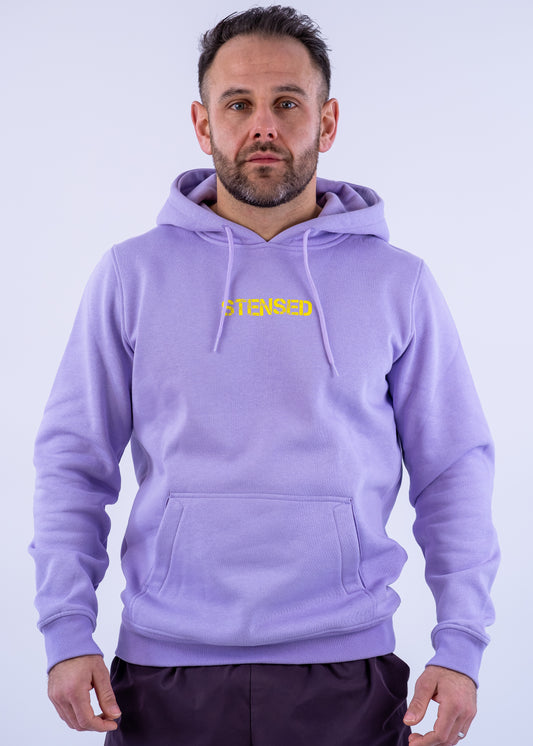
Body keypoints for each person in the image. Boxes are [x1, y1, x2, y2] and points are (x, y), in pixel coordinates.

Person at [29, 6, 499, 745]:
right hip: (162, 672)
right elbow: (73, 462)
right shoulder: (132, 275)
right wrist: (65, 629)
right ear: (202, 123)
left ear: (326, 121)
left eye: (287, 103)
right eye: (238, 104)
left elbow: (453, 469)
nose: (263, 127)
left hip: (346, 668)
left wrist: (461, 643)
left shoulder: (396, 283)